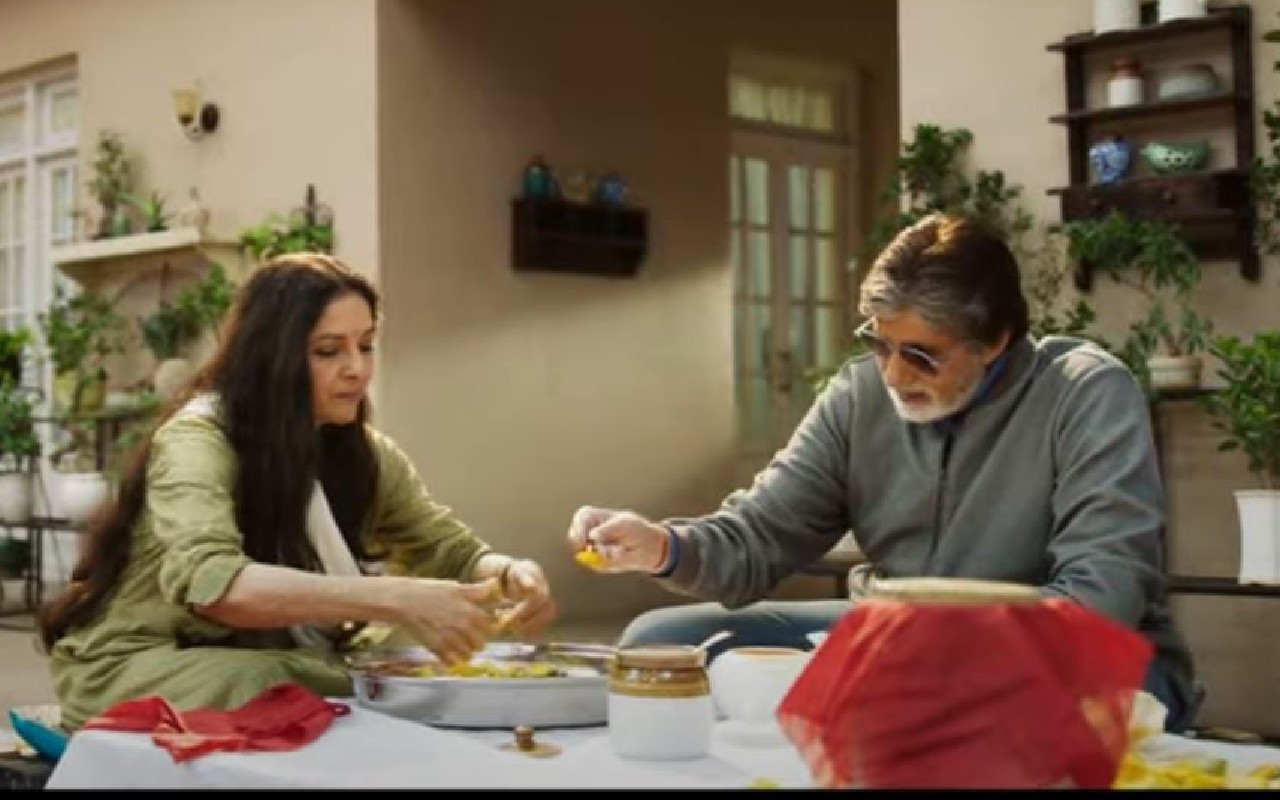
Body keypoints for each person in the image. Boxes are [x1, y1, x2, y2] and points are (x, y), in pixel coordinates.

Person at [566, 213, 1200, 732]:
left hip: (1069, 661)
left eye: (921, 355)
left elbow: (1101, 601)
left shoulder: (1085, 393)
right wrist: (663, 546)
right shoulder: (858, 397)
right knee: (663, 640)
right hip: (897, 642)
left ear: (996, 340)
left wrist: (939, 656)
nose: (894, 375)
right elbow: (758, 536)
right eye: (879, 345)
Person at [38, 253, 557, 731]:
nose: (357, 368)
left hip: (273, 654)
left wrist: (507, 575)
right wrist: (396, 598)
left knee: (441, 657)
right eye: (329, 351)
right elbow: (216, 587)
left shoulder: (361, 452)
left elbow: (447, 548)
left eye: (365, 345)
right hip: (143, 663)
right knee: (304, 684)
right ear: (272, 356)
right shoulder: (198, 440)